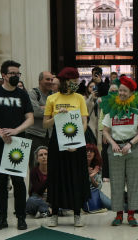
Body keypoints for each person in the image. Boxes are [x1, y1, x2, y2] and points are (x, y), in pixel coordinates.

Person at [0, 59, 34, 231]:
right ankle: (1, 218)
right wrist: (0, 131)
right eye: (12, 73)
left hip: (18, 142)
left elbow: (30, 119)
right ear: (3, 75)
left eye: (18, 74)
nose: (15, 76)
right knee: (0, 181)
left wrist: (16, 131)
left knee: (19, 181)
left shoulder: (22, 94)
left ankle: (21, 217)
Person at [42, 66, 90, 228]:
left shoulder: (80, 98)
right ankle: (54, 213)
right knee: (56, 176)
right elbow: (45, 124)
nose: (75, 84)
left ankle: (77, 213)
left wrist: (76, 141)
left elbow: (84, 122)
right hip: (57, 142)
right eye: (72, 81)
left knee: (76, 176)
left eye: (76, 81)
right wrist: (57, 116)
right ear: (63, 82)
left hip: (76, 143)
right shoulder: (52, 99)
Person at [100, 76, 138, 226]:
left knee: (133, 181)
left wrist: (130, 144)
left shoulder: (136, 110)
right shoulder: (111, 108)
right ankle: (119, 214)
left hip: (133, 147)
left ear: (131, 93)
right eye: (120, 90)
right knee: (116, 182)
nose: (121, 93)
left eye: (124, 91)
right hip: (115, 148)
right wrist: (113, 143)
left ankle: (132, 215)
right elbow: (105, 131)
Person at [27, 71, 57, 154]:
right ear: (40, 81)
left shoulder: (54, 95)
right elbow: (36, 112)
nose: (50, 82)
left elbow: (58, 111)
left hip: (50, 135)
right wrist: (51, 110)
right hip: (34, 135)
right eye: (47, 79)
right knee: (35, 163)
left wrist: (42, 107)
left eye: (51, 80)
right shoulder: (32, 93)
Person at [84, 143, 111, 212]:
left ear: (95, 154)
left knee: (111, 205)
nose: (89, 153)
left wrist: (92, 177)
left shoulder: (97, 166)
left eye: (91, 151)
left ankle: (132, 207)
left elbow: (98, 186)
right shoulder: (78, 165)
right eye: (87, 151)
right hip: (81, 192)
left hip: (94, 192)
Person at [26, 146, 50, 218]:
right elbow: (38, 190)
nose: (44, 157)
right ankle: (51, 211)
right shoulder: (34, 172)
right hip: (39, 198)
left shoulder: (55, 169)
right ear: (37, 159)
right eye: (41, 155)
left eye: (46, 154)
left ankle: (44, 211)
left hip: (52, 198)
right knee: (31, 201)